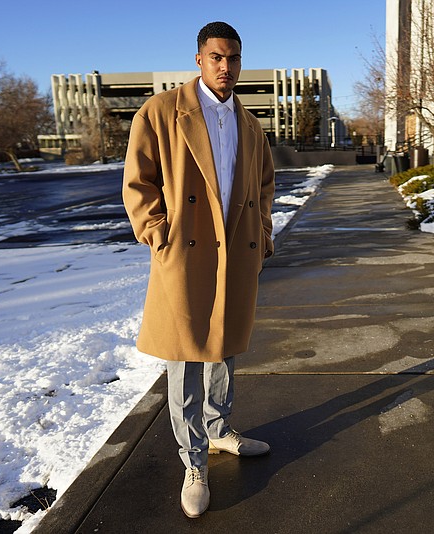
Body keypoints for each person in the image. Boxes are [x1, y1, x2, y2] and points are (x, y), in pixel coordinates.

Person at [122, 21, 275, 518]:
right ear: (199, 60)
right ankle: (193, 462)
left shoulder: (250, 124)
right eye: (215, 57)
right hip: (184, 252)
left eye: (232, 57)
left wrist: (265, 233)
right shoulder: (162, 111)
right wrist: (157, 232)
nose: (225, 66)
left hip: (235, 250)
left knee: (225, 348)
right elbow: (138, 180)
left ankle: (218, 430)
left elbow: (266, 184)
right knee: (184, 357)